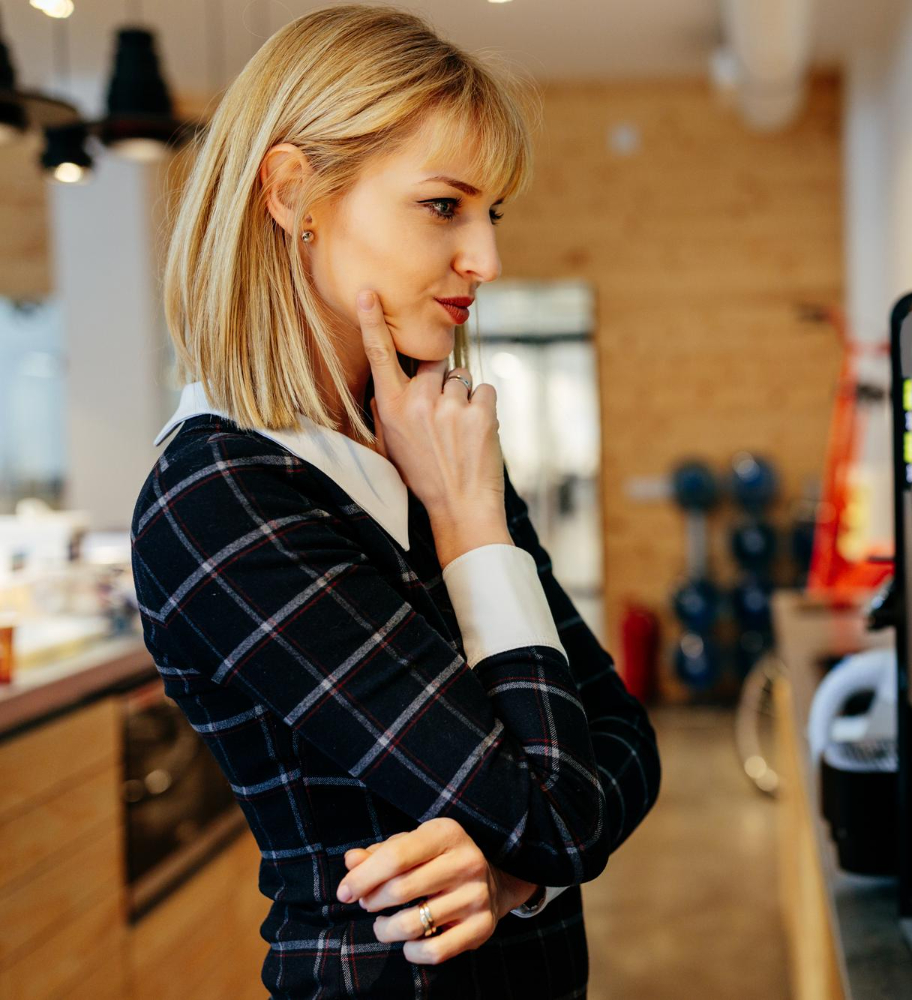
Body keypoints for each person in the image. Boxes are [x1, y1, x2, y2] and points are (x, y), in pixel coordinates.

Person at [128, 6, 660, 997]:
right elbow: (560, 812)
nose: (486, 260)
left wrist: (510, 876)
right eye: (443, 206)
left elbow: (624, 742)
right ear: (295, 194)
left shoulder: (423, 436)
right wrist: (469, 523)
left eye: (490, 213)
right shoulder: (219, 498)